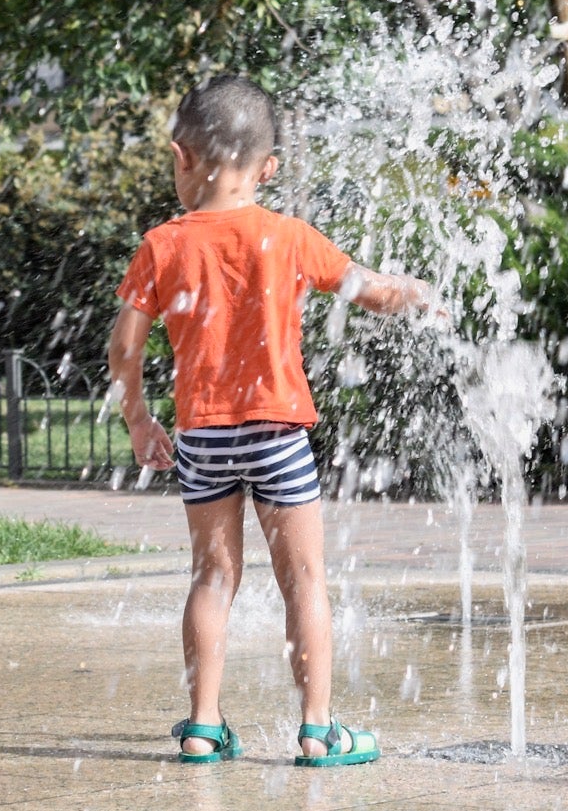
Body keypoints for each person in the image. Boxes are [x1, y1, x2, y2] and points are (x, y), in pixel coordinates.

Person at [106, 75, 442, 768]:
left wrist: (140, 419)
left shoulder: (163, 244)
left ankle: (203, 726)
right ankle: (318, 730)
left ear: (182, 158)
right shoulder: (288, 236)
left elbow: (125, 344)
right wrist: (416, 292)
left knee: (212, 577)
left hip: (203, 435)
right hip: (279, 433)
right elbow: (370, 293)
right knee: (305, 580)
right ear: (269, 169)